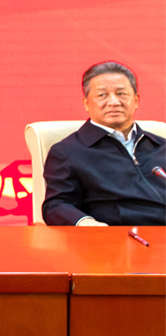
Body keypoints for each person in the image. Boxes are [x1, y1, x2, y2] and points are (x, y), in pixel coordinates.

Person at [42, 61, 165, 226]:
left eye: (121, 93)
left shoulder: (161, 146)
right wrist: (87, 224)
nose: (114, 102)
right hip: (118, 235)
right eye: (102, 95)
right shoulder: (67, 151)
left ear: (136, 100)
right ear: (86, 103)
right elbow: (56, 205)